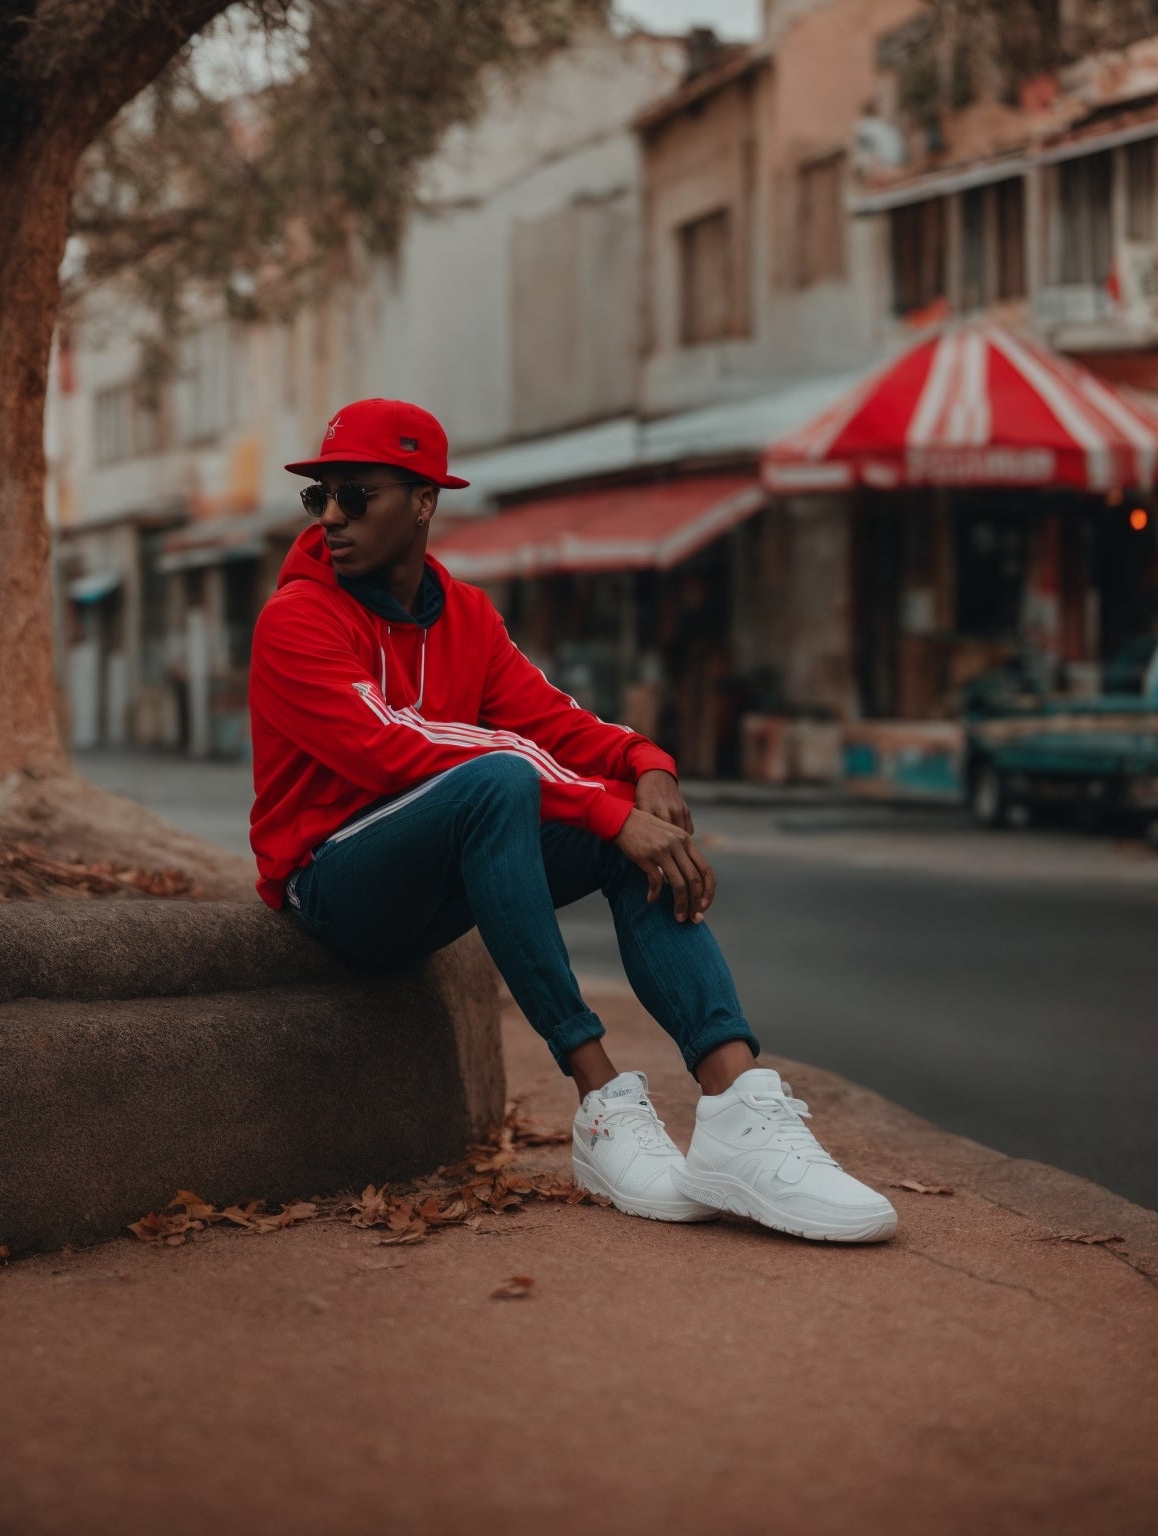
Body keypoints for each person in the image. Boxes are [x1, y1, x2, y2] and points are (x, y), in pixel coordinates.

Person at [249, 399, 896, 1243]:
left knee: (605, 830)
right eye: (319, 498)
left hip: (437, 868)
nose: (331, 516)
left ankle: (736, 1106)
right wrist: (601, 806)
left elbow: (548, 718)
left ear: (422, 501)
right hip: (335, 885)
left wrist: (643, 763)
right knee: (501, 782)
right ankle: (601, 1106)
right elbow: (397, 749)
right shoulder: (295, 619)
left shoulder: (466, 616)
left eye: (355, 495)